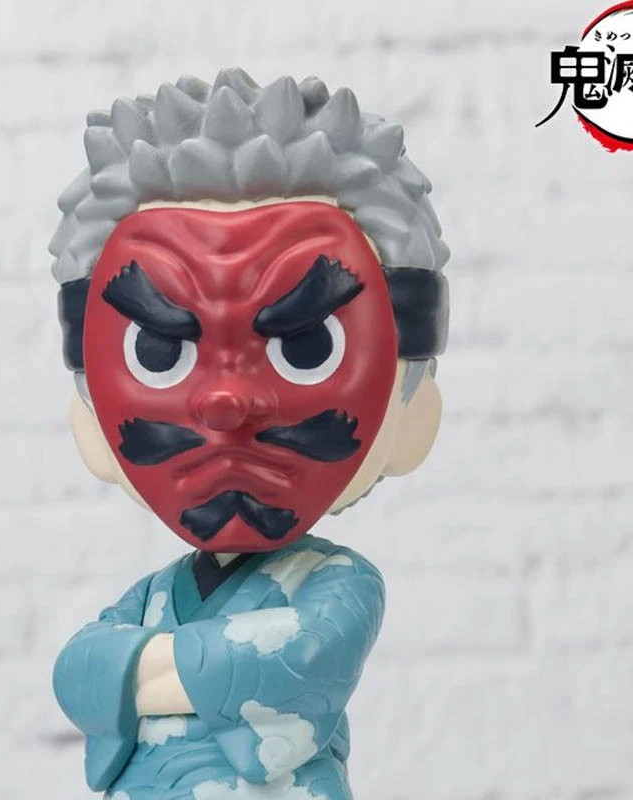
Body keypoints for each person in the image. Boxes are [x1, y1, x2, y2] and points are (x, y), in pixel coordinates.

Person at [49, 68, 449, 800]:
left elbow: (297, 664)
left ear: (411, 414)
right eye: (159, 353)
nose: (226, 404)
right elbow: (75, 674)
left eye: (307, 347)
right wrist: (207, 672)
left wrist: (138, 671)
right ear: (90, 419)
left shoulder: (339, 585)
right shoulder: (157, 594)